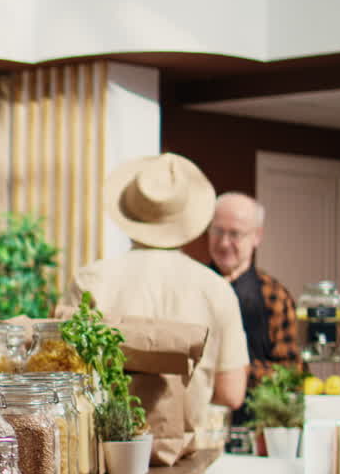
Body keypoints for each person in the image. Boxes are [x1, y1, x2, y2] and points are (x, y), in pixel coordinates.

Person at [58, 152, 249, 435]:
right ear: (188, 218)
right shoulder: (216, 289)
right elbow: (232, 393)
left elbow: (62, 377)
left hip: (104, 452)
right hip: (183, 450)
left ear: (129, 212)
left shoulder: (91, 280)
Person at [207, 192, 301, 420]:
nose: (224, 242)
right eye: (218, 231)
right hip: (200, 424)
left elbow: (291, 373)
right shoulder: (192, 287)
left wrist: (238, 371)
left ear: (257, 236)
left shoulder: (275, 296)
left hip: (256, 427)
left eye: (235, 234)